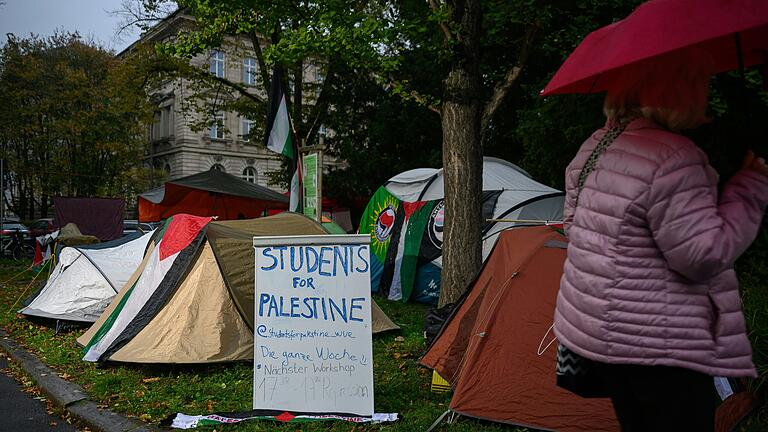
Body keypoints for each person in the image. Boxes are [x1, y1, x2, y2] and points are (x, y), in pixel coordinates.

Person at [553, 47, 768, 431]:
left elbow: (575, 227)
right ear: (680, 91)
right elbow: (703, 256)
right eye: (699, 84)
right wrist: (748, 188)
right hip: (663, 342)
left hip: (606, 338)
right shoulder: (673, 157)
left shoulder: (595, 147)